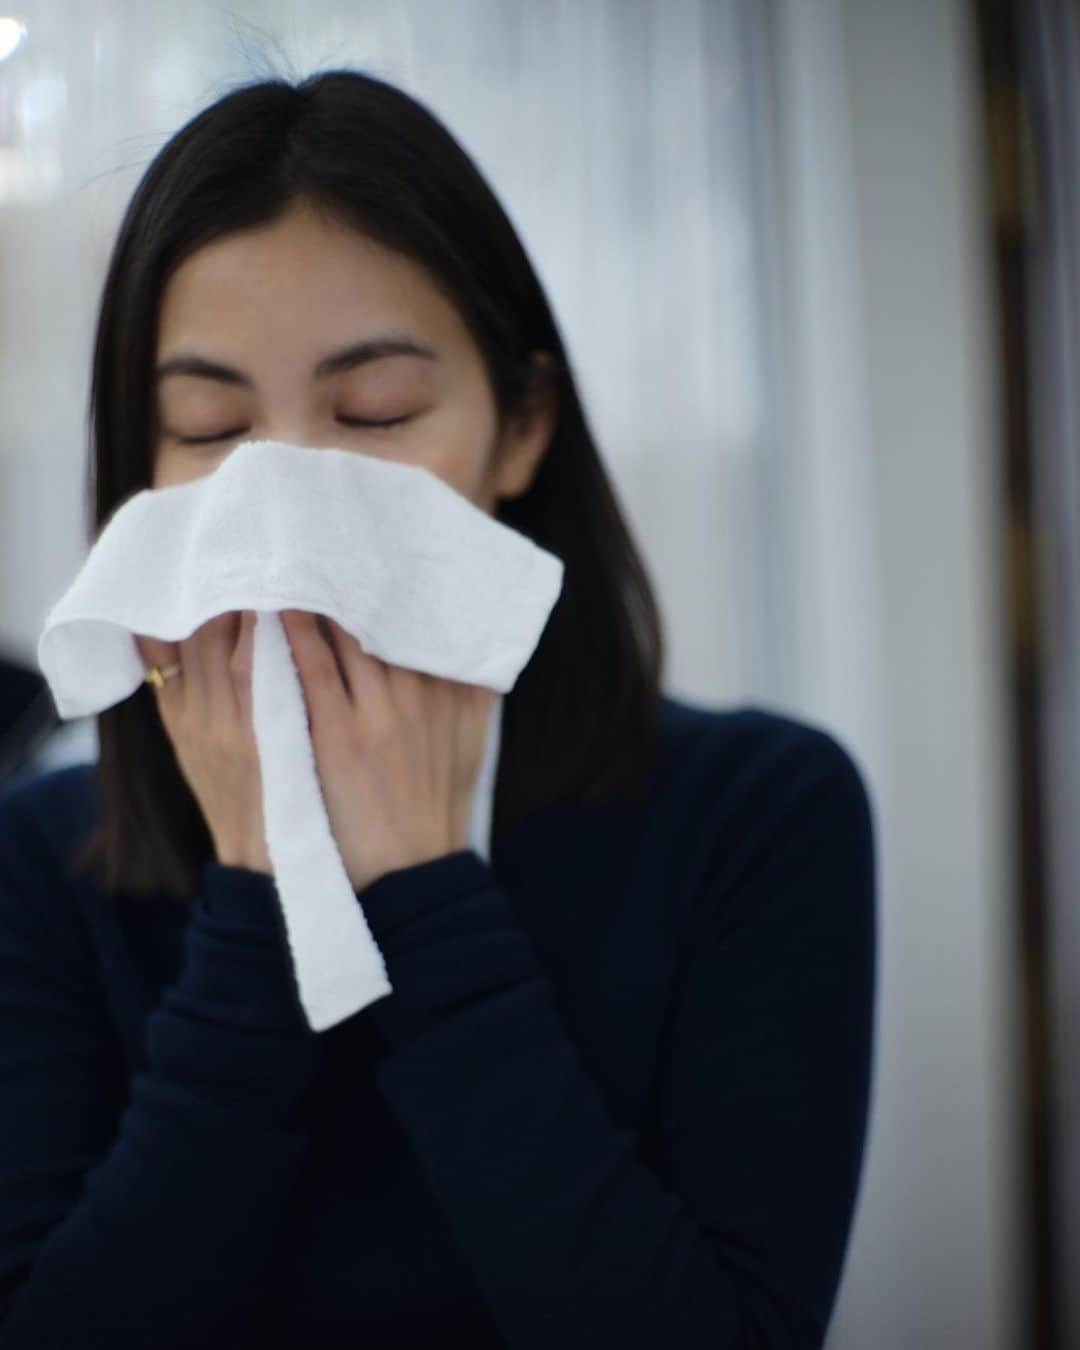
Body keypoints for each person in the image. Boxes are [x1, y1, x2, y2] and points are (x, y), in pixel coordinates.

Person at [0, 67, 876, 1349]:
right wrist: (253, 904)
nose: (283, 506)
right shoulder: (39, 862)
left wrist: (423, 885)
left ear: (521, 429)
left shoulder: (756, 812)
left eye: (376, 412)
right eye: (206, 423)